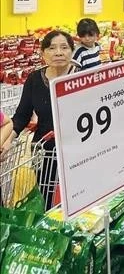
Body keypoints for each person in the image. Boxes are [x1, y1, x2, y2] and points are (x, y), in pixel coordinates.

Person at [2, 31, 80, 208]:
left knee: (76, 198)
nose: (58, 52)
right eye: (52, 48)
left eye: (64, 47)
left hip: (76, 148)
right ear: (43, 53)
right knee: (46, 199)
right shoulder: (34, 79)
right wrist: (7, 141)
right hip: (44, 150)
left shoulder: (82, 78)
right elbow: (21, 116)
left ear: (72, 51)